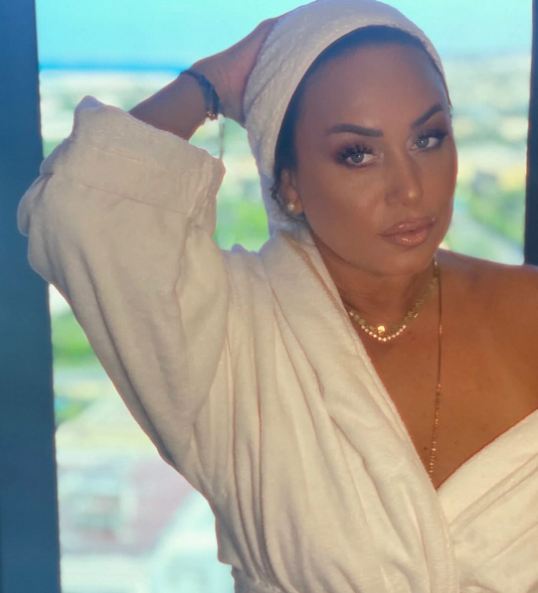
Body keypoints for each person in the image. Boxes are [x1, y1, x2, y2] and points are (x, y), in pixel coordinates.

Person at [17, 0, 538, 591]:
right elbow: (79, 211)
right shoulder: (228, 343)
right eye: (357, 153)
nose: (409, 189)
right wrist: (210, 84)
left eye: (428, 138)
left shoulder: (530, 309)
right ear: (288, 183)